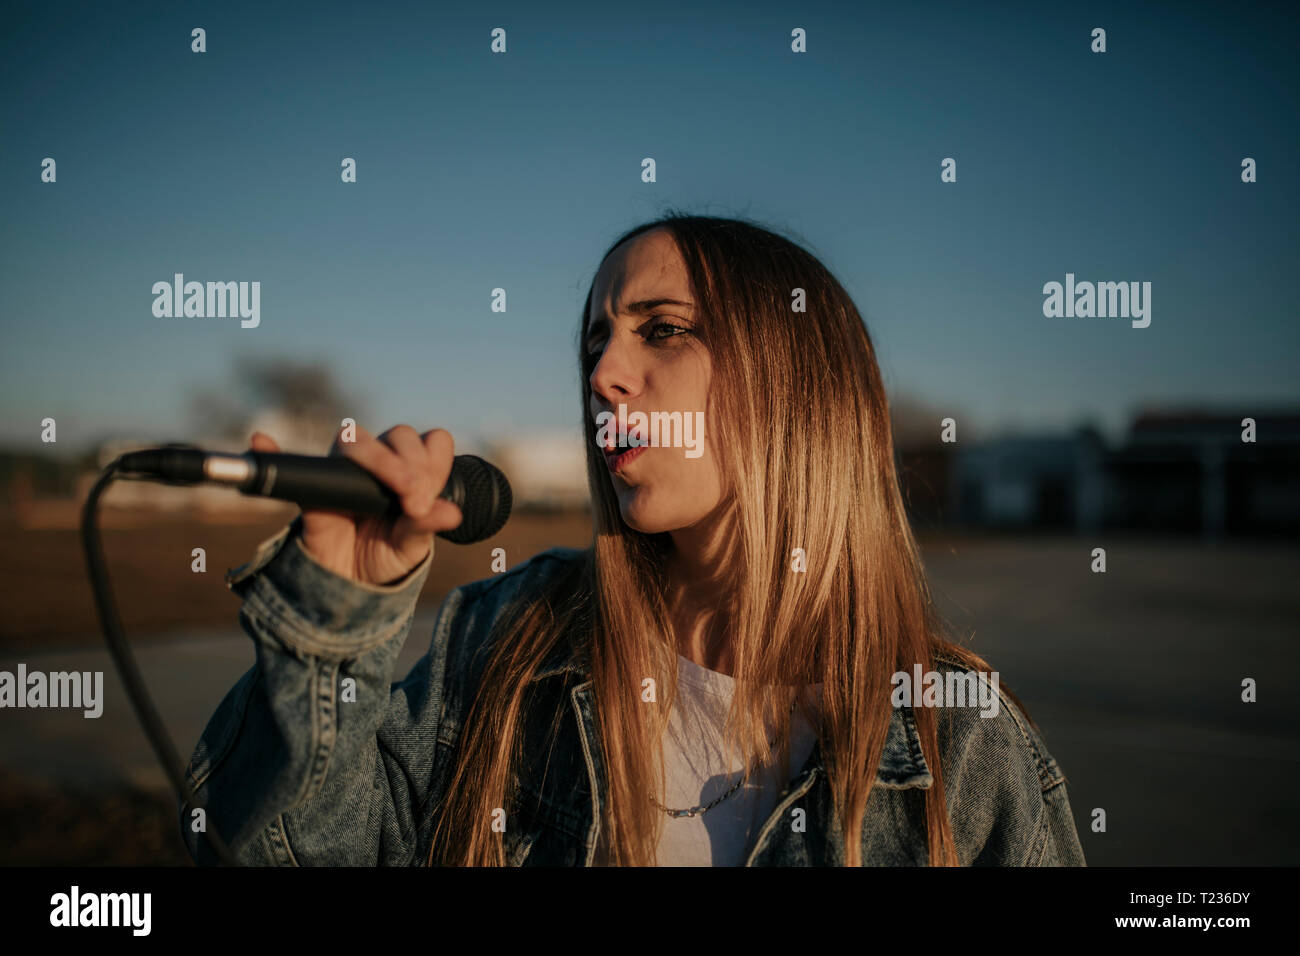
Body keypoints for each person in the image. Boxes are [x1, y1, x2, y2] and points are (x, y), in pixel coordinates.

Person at [181, 212, 1086, 867]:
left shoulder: (959, 742)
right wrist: (334, 622)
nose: (605, 375)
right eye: (594, 346)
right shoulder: (506, 635)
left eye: (662, 331)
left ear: (796, 382)